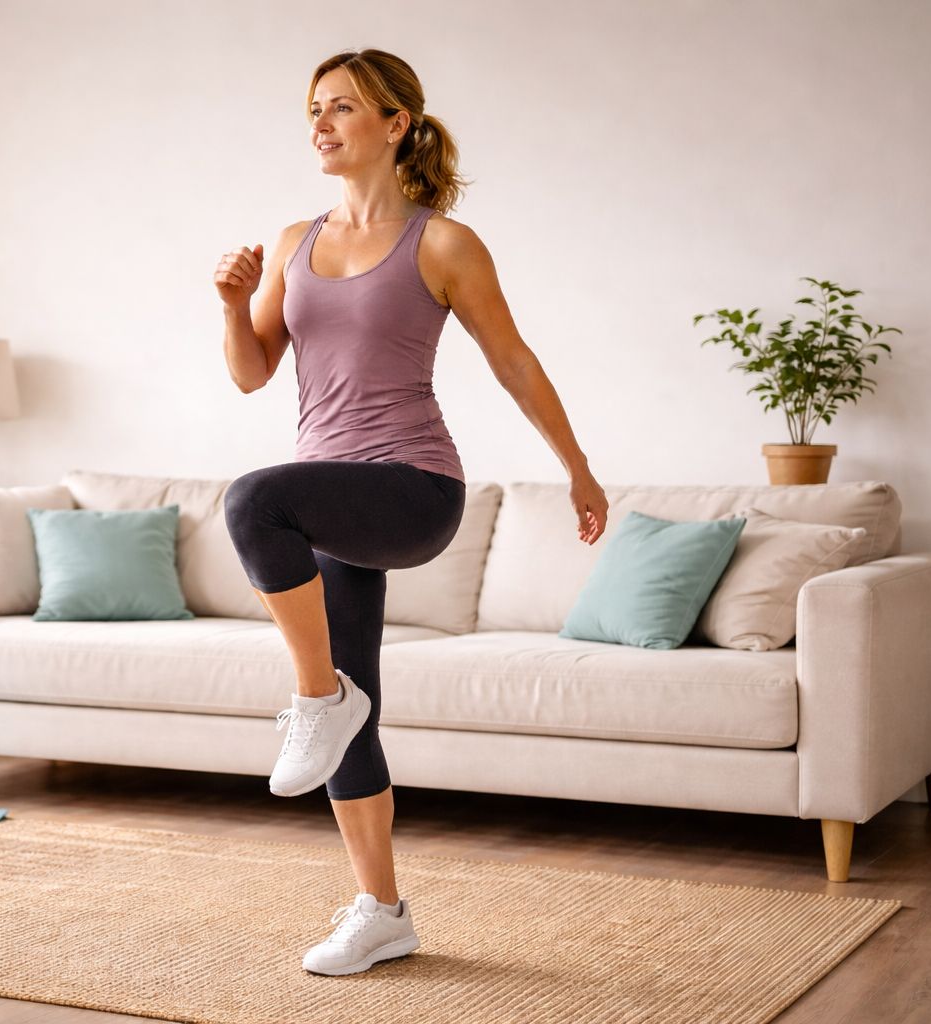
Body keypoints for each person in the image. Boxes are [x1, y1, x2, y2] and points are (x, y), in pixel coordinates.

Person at [212, 47, 610, 976]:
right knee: (360, 708)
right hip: (328, 501)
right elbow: (250, 371)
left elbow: (512, 360)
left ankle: (318, 699)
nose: (321, 124)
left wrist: (579, 469)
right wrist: (233, 306)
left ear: (395, 125)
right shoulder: (291, 241)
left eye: (342, 108)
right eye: (314, 109)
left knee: (251, 501)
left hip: (412, 489)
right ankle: (381, 909)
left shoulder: (442, 243)